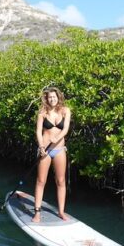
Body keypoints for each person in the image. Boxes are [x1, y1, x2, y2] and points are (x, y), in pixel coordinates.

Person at [32, 87, 72, 223]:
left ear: (58, 97)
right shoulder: (42, 112)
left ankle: (61, 212)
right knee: (41, 181)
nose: (52, 99)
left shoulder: (65, 111)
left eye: (54, 97)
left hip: (59, 150)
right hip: (45, 150)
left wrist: (58, 137)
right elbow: (38, 131)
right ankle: (37, 212)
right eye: (49, 97)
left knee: (61, 181)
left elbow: (65, 128)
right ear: (46, 99)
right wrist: (41, 146)